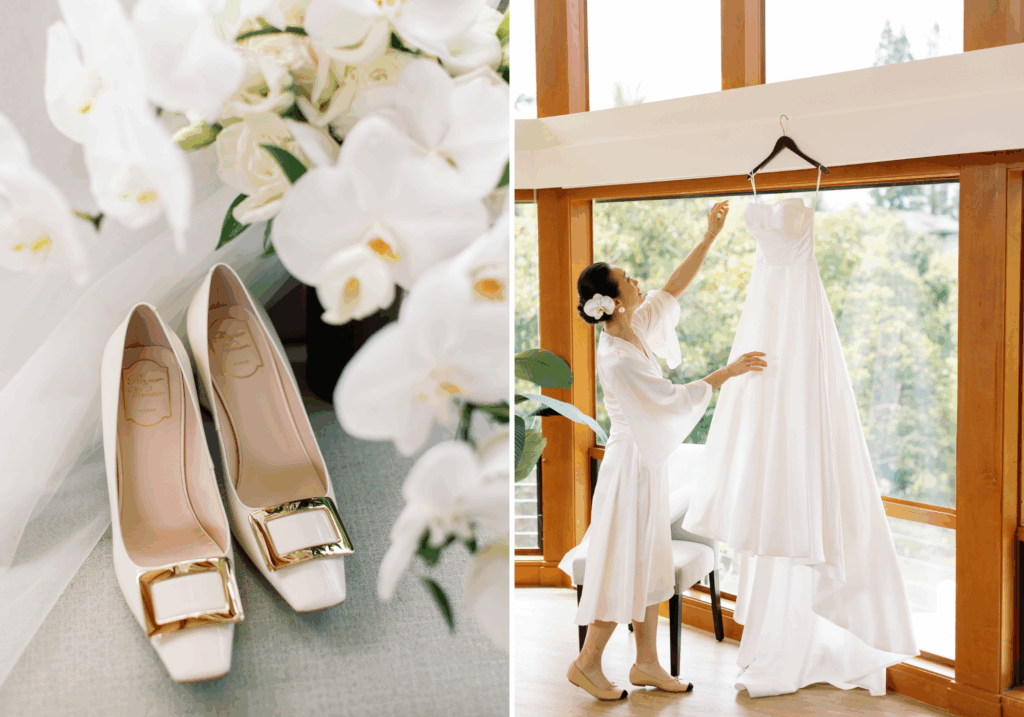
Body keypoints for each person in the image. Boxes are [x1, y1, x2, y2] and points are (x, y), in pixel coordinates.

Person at [560, 200, 767, 700]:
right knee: (623, 562)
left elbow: (673, 288)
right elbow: (670, 401)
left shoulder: (633, 328)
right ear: (612, 301)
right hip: (628, 471)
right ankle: (587, 663)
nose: (637, 282)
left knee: (649, 561)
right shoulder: (617, 357)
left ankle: (647, 663)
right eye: (627, 280)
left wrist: (709, 236)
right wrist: (728, 372)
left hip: (645, 466)